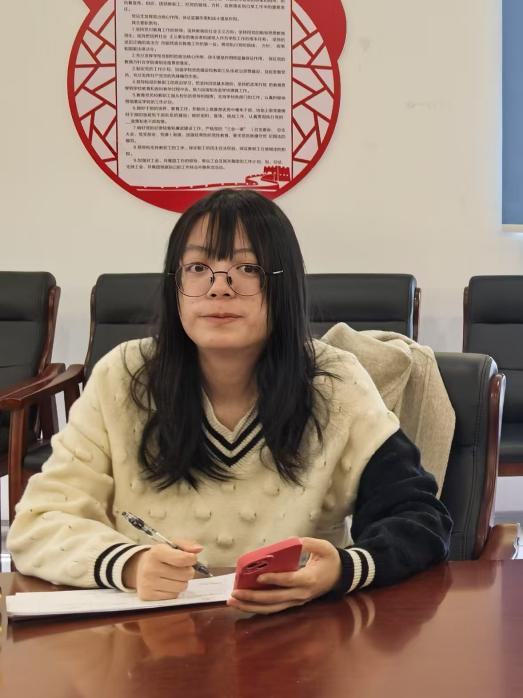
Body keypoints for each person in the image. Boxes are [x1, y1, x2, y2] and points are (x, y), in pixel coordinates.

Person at [7, 189, 452, 615]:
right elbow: (38, 523)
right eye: (198, 267)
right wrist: (130, 564)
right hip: (153, 635)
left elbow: (419, 518)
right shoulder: (125, 376)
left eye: (248, 268)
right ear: (175, 284)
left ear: (285, 285)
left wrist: (342, 569)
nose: (219, 288)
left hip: (298, 633)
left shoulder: (333, 382)